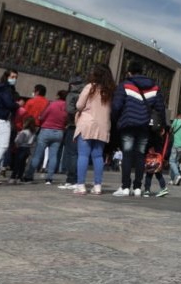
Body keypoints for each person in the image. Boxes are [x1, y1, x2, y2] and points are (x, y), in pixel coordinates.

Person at [111, 61, 166, 197]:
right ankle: (137, 188)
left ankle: (125, 187)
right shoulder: (154, 88)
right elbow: (160, 109)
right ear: (142, 72)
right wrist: (162, 126)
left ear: (129, 72)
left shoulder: (125, 85)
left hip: (128, 124)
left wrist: (115, 121)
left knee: (127, 154)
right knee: (140, 155)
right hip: (144, 126)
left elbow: (116, 106)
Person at [73, 63, 115, 196]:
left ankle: (81, 185)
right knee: (98, 156)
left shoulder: (90, 87)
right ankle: (97, 186)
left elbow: (79, 105)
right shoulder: (111, 91)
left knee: (83, 155)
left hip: (87, 124)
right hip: (103, 126)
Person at [27, 89, 67, 185]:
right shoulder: (66, 106)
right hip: (59, 132)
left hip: (46, 130)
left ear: (58, 95)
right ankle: (49, 178)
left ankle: (29, 175)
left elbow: (43, 116)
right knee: (53, 156)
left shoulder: (52, 104)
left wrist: (41, 118)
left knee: (38, 154)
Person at [57, 77, 85, 190]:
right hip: (84, 126)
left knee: (72, 153)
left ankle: (71, 179)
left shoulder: (72, 94)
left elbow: (69, 109)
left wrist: (76, 115)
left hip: (73, 126)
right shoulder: (86, 93)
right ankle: (79, 179)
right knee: (80, 153)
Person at [143, 127, 170, 197]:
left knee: (149, 175)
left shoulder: (150, 137)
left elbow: (148, 147)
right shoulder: (160, 138)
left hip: (152, 158)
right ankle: (163, 188)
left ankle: (147, 190)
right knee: (159, 175)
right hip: (158, 158)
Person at [11, 116, 37, 183]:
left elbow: (19, 141)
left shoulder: (24, 132)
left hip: (21, 148)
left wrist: (16, 142)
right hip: (28, 148)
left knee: (17, 163)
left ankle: (13, 177)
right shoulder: (33, 133)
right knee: (22, 164)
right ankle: (20, 177)